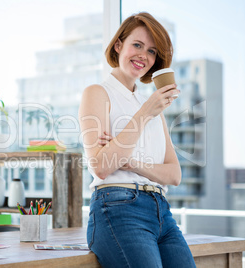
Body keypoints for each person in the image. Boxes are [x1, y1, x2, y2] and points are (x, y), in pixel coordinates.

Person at [78, 12, 196, 268]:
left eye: (152, 51)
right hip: (118, 208)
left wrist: (132, 163)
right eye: (137, 45)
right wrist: (144, 114)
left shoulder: (151, 104)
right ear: (119, 45)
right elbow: (102, 165)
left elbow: (174, 175)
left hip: (162, 211)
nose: (144, 56)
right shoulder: (98, 93)